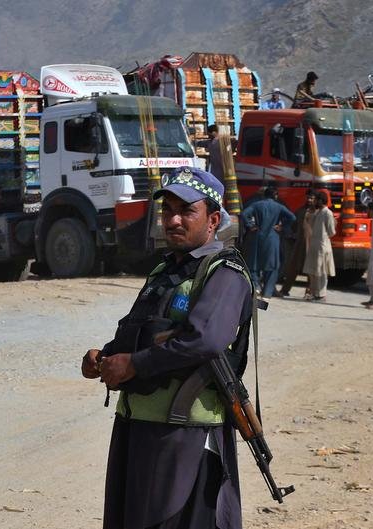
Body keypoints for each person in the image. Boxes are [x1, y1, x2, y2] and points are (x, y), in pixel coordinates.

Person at [82, 166, 251, 529]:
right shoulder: (165, 271)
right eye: (167, 209)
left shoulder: (223, 273)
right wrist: (106, 357)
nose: (173, 219)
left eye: (186, 211)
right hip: (138, 425)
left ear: (213, 219)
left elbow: (204, 340)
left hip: (185, 433)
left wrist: (135, 365)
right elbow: (137, 329)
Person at [241, 186, 295, 300]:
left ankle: (256, 287)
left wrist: (251, 225)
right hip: (272, 238)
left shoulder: (257, 205)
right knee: (272, 265)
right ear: (275, 196)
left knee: (254, 264)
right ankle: (267, 292)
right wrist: (282, 226)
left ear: (264, 195)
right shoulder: (279, 207)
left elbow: (244, 214)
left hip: (257, 237)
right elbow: (292, 217)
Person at [278, 190, 315, 297]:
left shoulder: (317, 212)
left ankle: (309, 291)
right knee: (293, 268)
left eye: (312, 198)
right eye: (308, 198)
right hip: (299, 245)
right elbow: (293, 225)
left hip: (311, 245)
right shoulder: (301, 211)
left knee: (310, 270)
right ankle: (285, 289)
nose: (309, 200)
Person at [303, 190, 335, 301]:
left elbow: (331, 231)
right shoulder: (317, 213)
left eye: (316, 199)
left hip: (322, 246)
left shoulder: (327, 213)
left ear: (321, 201)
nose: (314, 201)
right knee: (314, 271)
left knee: (322, 271)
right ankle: (315, 293)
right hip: (315, 245)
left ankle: (321, 294)